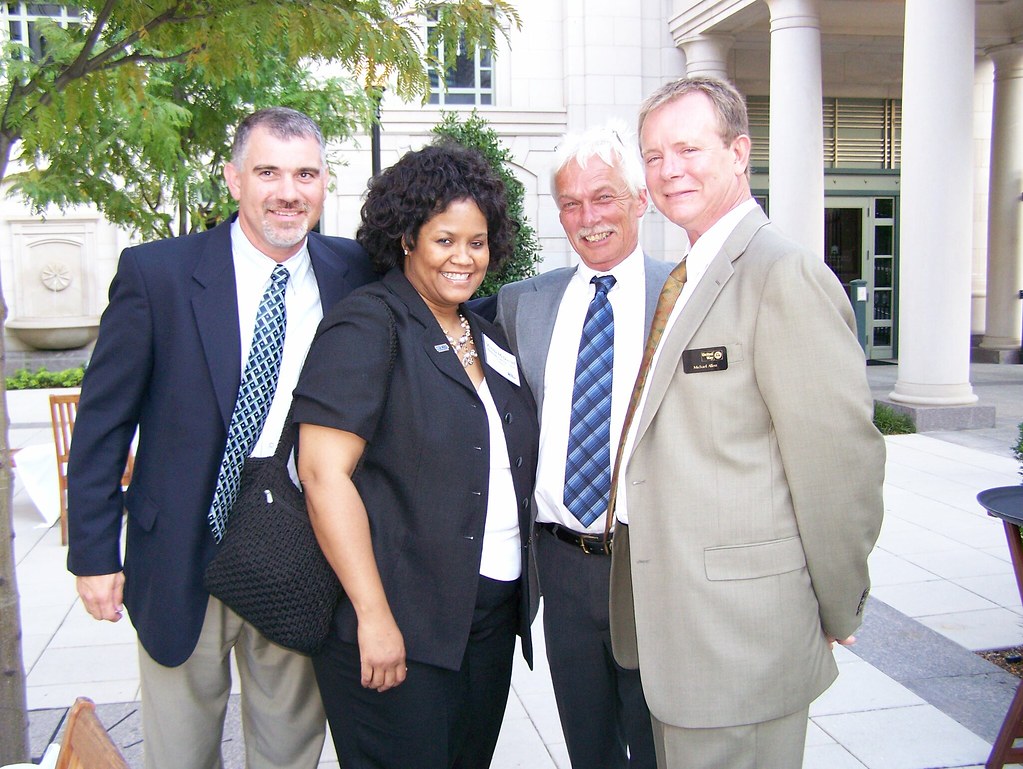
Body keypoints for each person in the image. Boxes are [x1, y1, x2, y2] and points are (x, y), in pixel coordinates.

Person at [66, 107, 376, 769]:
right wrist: (93, 551)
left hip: (297, 552)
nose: (286, 191)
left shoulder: (355, 272)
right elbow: (102, 422)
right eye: (267, 171)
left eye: (304, 174)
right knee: (180, 751)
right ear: (234, 180)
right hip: (179, 554)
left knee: (288, 749)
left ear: (324, 185)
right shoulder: (157, 275)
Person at [608, 76, 886, 769]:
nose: (669, 170)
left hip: (742, 637)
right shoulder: (689, 273)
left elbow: (838, 466)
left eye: (687, 148)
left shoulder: (780, 273)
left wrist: (835, 603)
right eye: (652, 155)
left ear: (738, 151)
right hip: (683, 627)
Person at [292, 141, 540, 769]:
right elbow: (323, 476)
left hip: (483, 617)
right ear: (406, 238)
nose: (464, 258)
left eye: (477, 242)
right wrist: (374, 617)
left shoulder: (482, 335)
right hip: (398, 621)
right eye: (444, 240)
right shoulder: (369, 324)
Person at [492, 124, 667, 769]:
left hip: (650, 560)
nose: (587, 218)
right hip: (560, 566)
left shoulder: (684, 296)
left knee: (654, 746)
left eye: (604, 197)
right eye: (571, 203)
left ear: (640, 200)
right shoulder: (521, 305)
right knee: (587, 746)